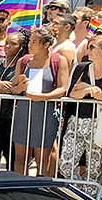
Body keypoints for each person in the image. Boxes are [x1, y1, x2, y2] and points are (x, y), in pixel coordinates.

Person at [7, 26, 68, 178]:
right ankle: (18, 187)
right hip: (23, 112)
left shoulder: (59, 60)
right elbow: (14, 87)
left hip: (46, 113)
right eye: (30, 41)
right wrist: (20, 87)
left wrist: (43, 97)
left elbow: (62, 88)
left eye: (34, 41)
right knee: (20, 156)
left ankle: (41, 188)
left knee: (43, 157)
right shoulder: (24, 61)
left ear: (46, 44)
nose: (30, 44)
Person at [59, 34, 102, 183]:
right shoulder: (82, 68)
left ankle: (89, 199)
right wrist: (88, 90)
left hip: (99, 123)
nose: (87, 50)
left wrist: (93, 91)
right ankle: (79, 191)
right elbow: (72, 93)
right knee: (66, 164)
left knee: (93, 170)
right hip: (76, 121)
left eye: (92, 47)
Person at [0, 29, 29, 171]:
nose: (7, 46)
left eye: (12, 44)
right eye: (6, 43)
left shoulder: (23, 65)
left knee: (9, 152)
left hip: (12, 115)